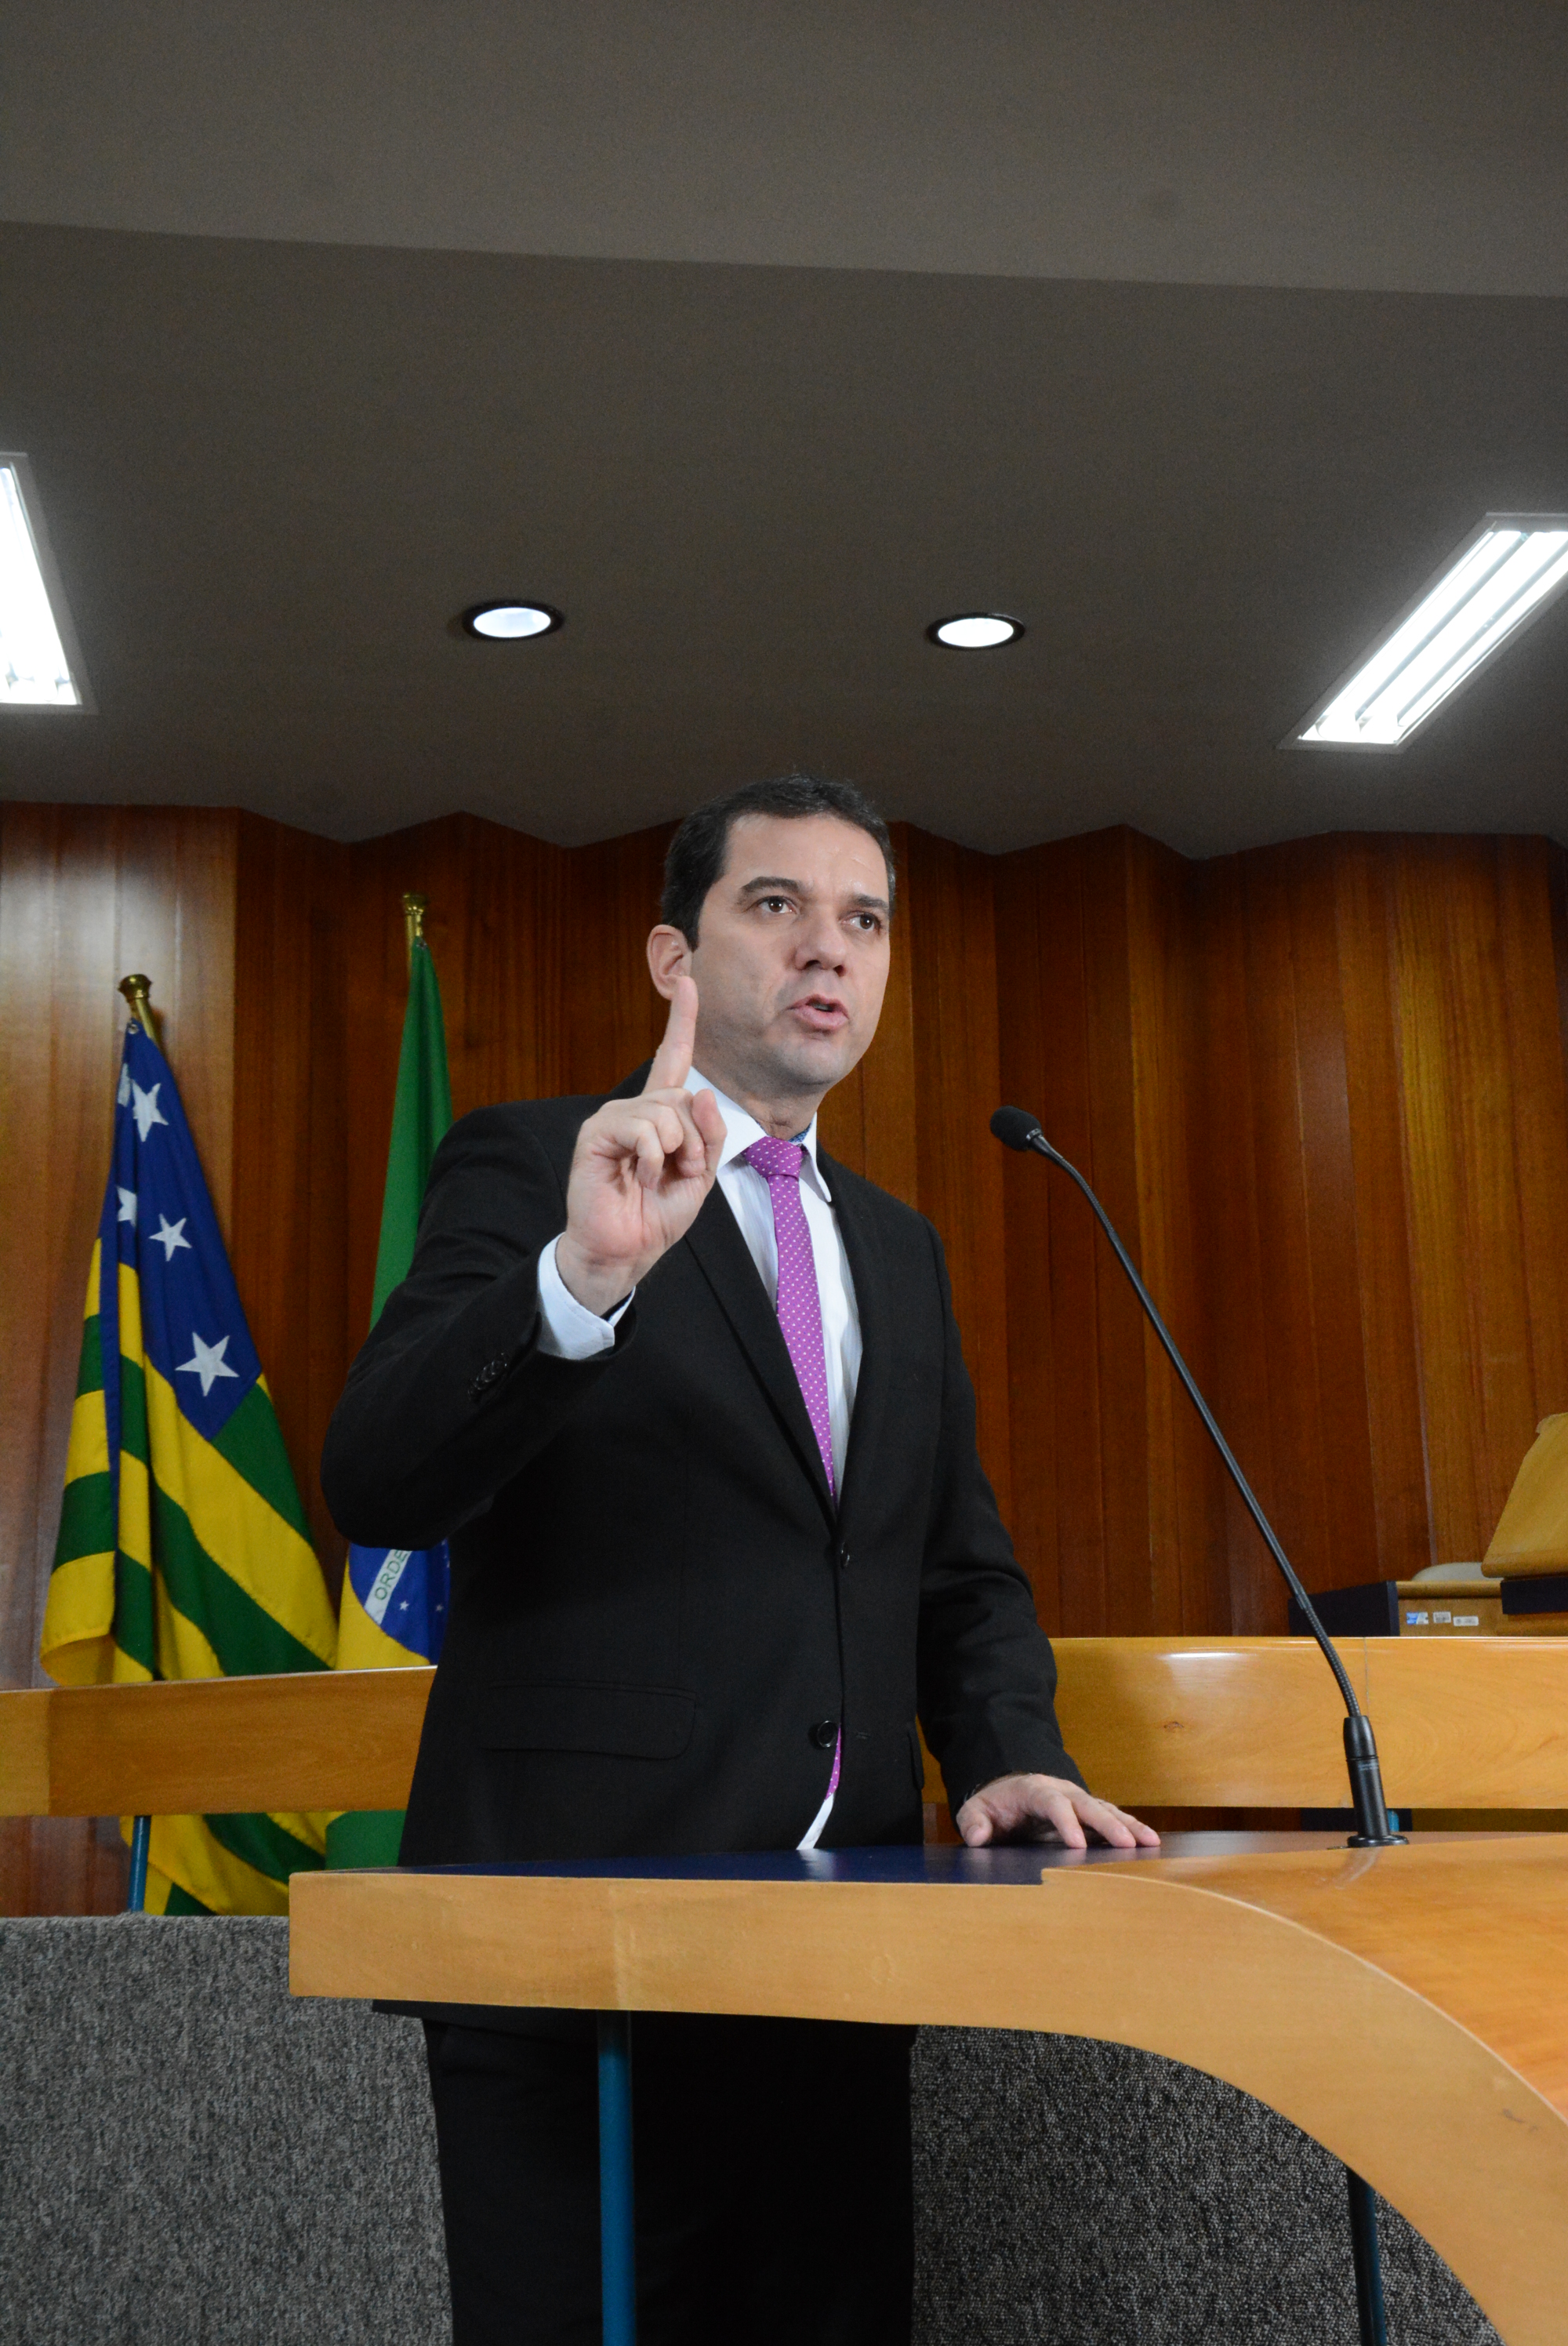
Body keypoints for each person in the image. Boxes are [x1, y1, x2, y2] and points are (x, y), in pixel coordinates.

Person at [321, 772, 1156, 2346]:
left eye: (865, 920)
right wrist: (578, 1281)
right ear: (675, 959)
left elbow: (953, 1563)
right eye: (776, 905)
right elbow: (378, 1477)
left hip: (842, 1953)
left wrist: (1009, 1748)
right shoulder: (536, 1160)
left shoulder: (898, 1246)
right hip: (581, 1944)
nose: (828, 948)